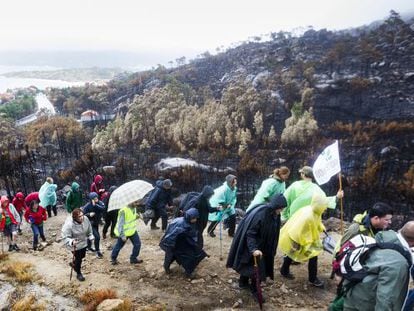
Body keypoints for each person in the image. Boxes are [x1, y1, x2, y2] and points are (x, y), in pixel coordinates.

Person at [227, 194, 287, 302]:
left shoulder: (274, 213)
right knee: (255, 268)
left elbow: (274, 229)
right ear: (276, 206)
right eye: (281, 208)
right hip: (253, 244)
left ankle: (244, 282)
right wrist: (253, 249)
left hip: (264, 245)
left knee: (251, 265)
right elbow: (250, 233)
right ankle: (254, 289)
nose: (281, 211)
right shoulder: (261, 214)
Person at [343, 221, 414, 311]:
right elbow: (386, 298)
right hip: (367, 306)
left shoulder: (382, 237)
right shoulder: (398, 263)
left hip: (353, 298)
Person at [279, 193, 330, 288]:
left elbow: (317, 221)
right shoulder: (308, 216)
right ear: (319, 205)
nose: (326, 208)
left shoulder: (314, 210)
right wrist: (300, 243)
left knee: (293, 253)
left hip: (303, 236)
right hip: (297, 237)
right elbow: (299, 231)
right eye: (324, 206)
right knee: (311, 255)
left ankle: (284, 270)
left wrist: (321, 227)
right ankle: (313, 279)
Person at [160, 208, 207, 278]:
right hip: (177, 244)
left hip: (171, 243)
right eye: (194, 218)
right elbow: (190, 236)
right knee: (189, 257)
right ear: (190, 217)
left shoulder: (179, 219)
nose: (196, 220)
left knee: (170, 256)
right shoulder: (185, 225)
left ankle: (166, 267)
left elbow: (169, 231)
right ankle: (188, 272)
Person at [61, 208, 94, 281]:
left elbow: (89, 228)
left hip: (83, 242)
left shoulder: (85, 219)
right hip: (74, 245)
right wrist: (71, 241)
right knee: (79, 259)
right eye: (79, 216)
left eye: (82, 215)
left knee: (82, 256)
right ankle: (78, 273)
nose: (82, 217)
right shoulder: (69, 224)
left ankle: (73, 264)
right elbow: (65, 236)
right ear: (75, 217)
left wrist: (90, 235)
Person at [111, 201, 143, 265]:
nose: (137, 204)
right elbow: (120, 225)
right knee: (118, 246)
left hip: (132, 231)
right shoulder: (123, 211)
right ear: (131, 202)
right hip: (124, 232)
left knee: (137, 244)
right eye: (136, 203)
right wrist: (122, 235)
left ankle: (133, 259)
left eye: (137, 202)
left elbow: (131, 217)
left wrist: (137, 216)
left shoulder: (134, 207)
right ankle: (113, 259)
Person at [82, 192, 105, 258]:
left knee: (91, 234)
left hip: (96, 222)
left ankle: (88, 247)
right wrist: (89, 214)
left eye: (96, 198)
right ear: (91, 199)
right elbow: (82, 214)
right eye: (94, 199)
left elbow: (103, 208)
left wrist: (95, 205)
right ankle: (98, 251)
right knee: (97, 237)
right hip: (90, 223)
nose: (96, 200)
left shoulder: (99, 203)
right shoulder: (87, 205)